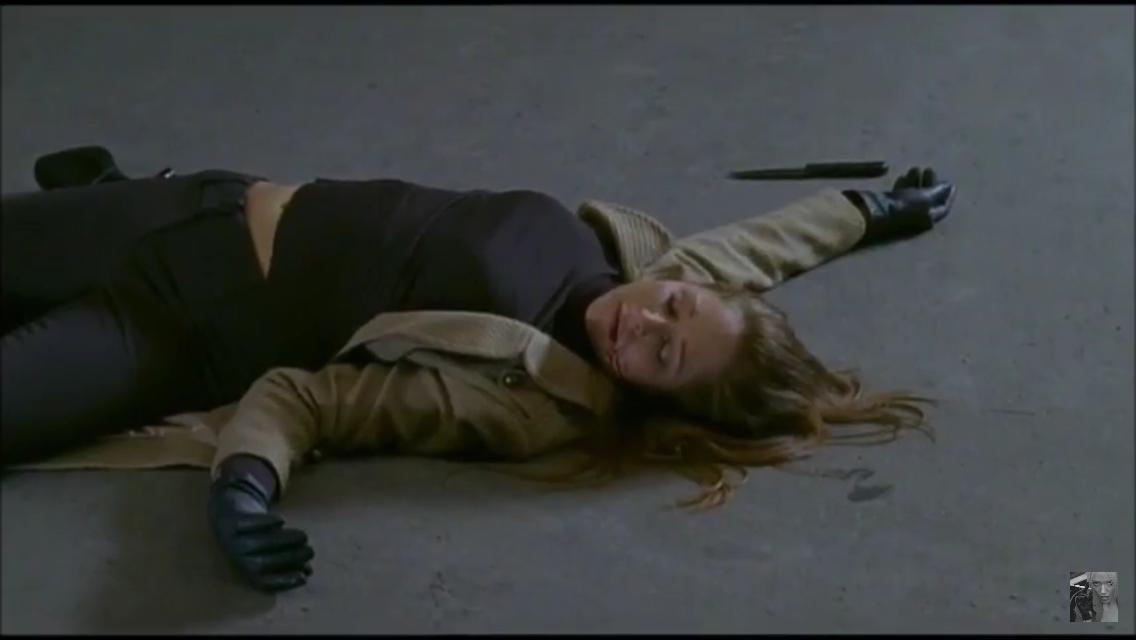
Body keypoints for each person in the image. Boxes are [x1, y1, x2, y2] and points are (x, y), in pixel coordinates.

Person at [1, 146, 956, 592]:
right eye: (674, 306)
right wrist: (867, 210)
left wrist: (244, 484)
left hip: (170, 330)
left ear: (655, 397)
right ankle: (114, 186)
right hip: (197, 211)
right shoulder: (651, 264)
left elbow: (316, 398)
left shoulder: (525, 400)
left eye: (662, 357)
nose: (645, 324)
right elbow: (756, 249)